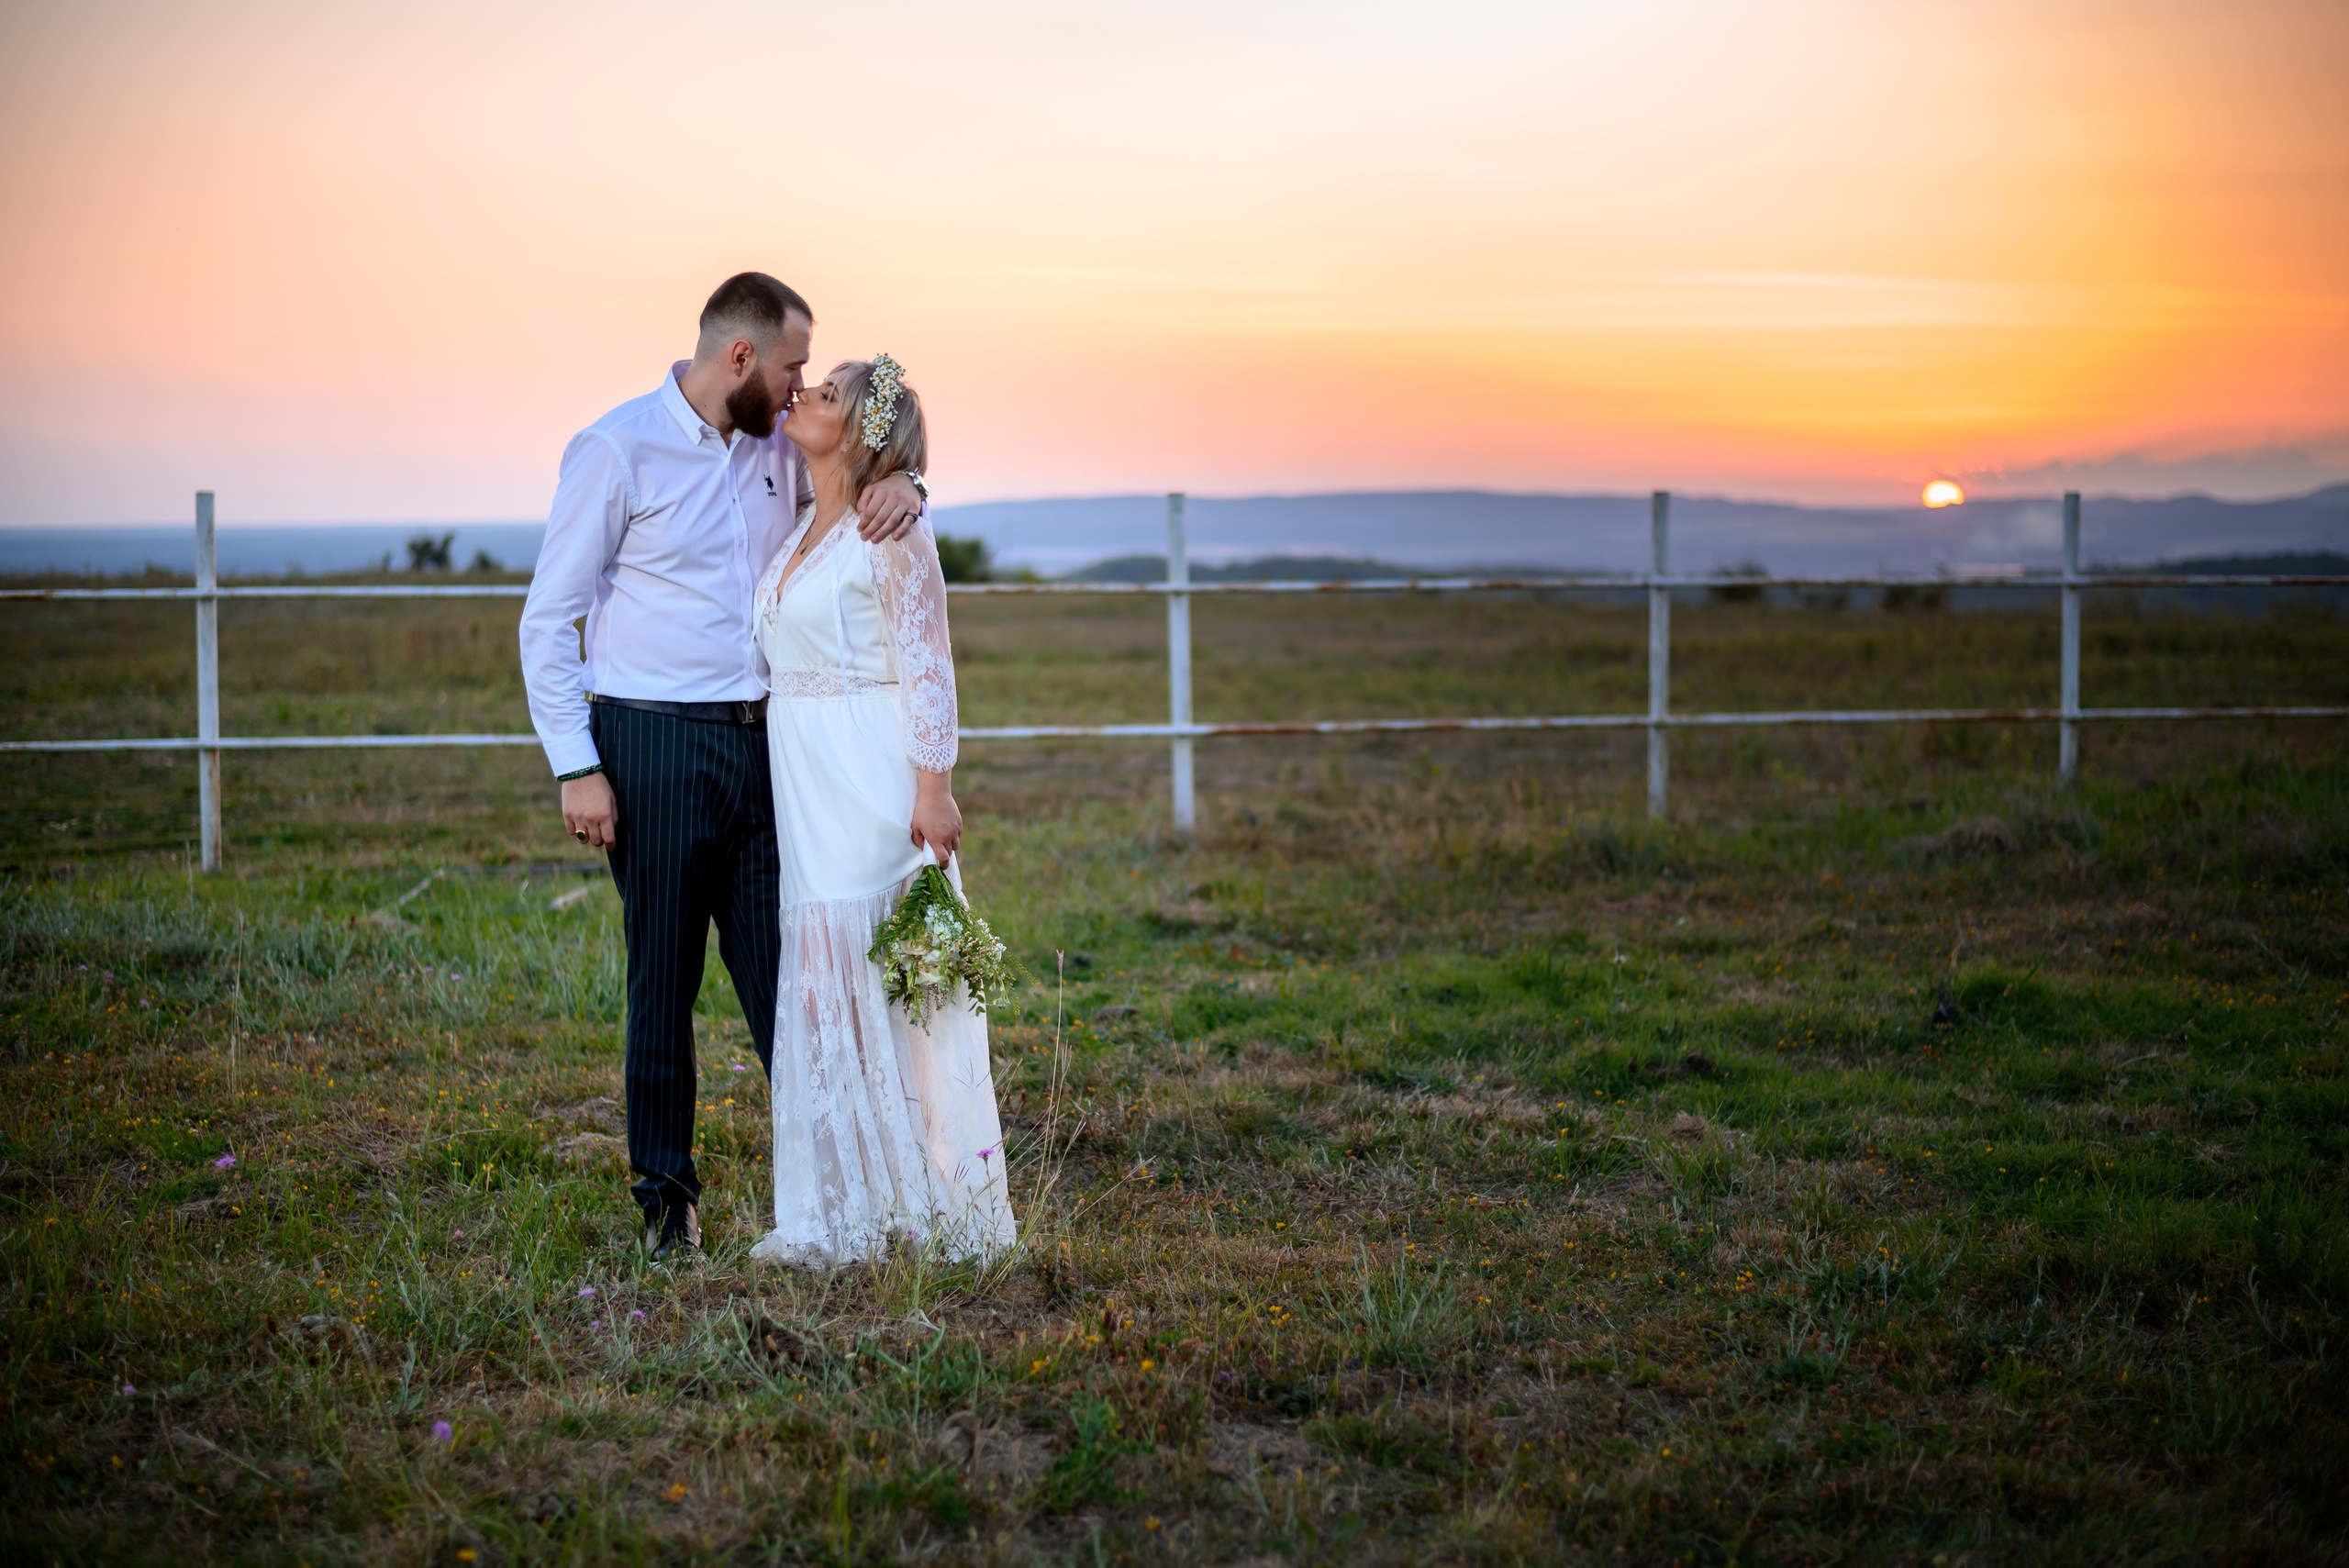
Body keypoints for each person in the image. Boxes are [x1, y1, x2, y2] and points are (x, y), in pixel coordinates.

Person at [519, 273, 928, 1262]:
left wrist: (907, 484)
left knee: (792, 980)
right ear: (739, 357)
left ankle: (845, 1192)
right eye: (791, 367)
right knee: (662, 977)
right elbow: (548, 619)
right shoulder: (616, 448)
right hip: (650, 743)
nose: (799, 391)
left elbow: (853, 483)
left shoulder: (775, 451)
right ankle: (668, 1206)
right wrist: (578, 765)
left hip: (767, 750)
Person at [748, 354, 1016, 1266]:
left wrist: (933, 787)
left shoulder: (890, 528)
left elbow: (929, 660)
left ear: (862, 429)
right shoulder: (799, 524)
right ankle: (840, 1209)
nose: (804, 398)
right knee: (825, 988)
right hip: (805, 781)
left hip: (869, 780)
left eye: (824, 396)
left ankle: (931, 1205)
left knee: (895, 988)